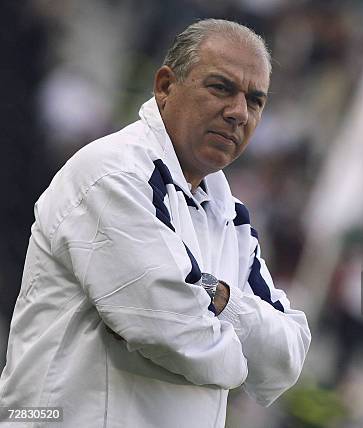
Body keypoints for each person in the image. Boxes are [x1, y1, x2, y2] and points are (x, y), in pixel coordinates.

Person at [0, 19, 311, 427]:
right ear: (165, 86)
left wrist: (220, 300)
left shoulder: (231, 217)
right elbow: (172, 334)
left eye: (255, 100)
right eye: (221, 87)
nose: (238, 113)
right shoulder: (111, 175)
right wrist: (242, 361)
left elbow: (287, 358)